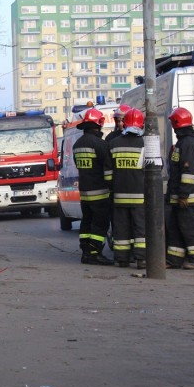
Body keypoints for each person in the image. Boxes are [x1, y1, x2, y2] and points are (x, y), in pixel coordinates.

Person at [165, 107, 194, 270]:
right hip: (179, 196)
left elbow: (188, 172)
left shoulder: (188, 143)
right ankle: (174, 260)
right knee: (176, 228)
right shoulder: (184, 142)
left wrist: (183, 195)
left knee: (189, 228)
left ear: (176, 123)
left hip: (187, 197)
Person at [73, 108, 114, 265]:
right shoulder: (101, 144)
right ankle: (95, 252)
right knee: (100, 223)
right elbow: (108, 170)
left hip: (85, 192)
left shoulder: (77, 145)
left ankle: (85, 251)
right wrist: (111, 187)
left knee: (87, 221)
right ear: (99, 123)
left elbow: (80, 166)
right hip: (100, 192)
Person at [109, 108, 146, 269]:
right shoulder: (145, 144)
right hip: (139, 196)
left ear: (125, 122)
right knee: (140, 230)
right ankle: (141, 259)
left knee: (121, 229)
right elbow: (155, 169)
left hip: (119, 195)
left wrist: (113, 187)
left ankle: (122, 259)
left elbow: (107, 173)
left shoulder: (113, 144)